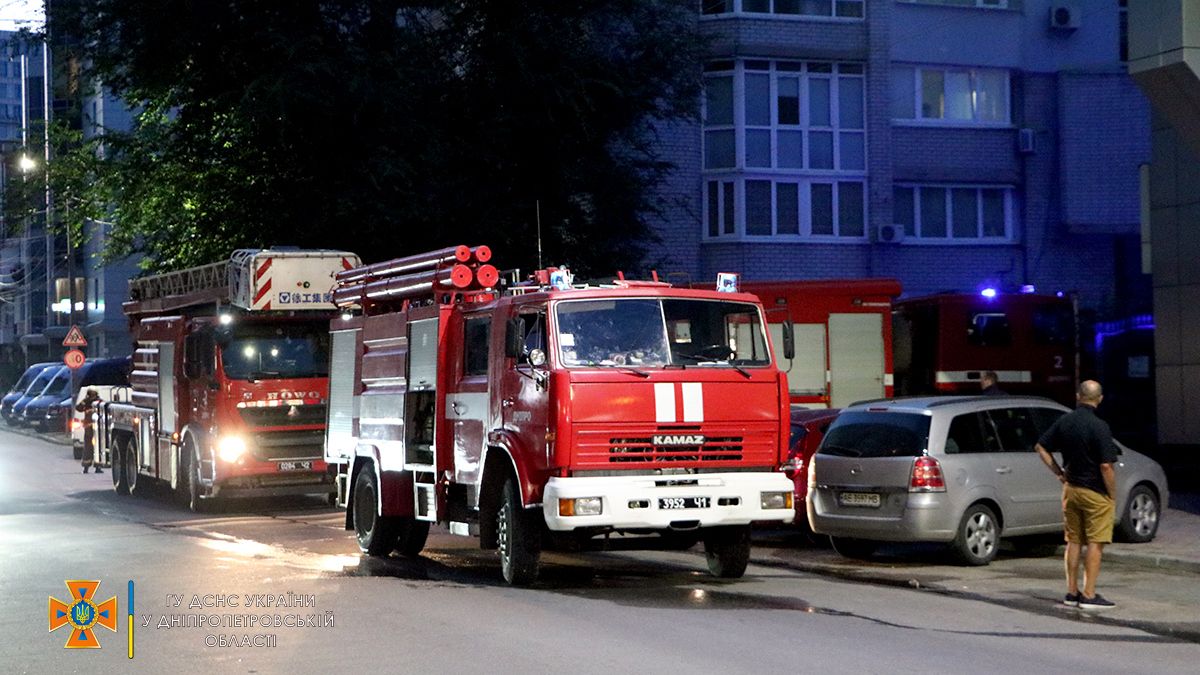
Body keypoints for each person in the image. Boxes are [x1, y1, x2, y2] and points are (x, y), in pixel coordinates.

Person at [1034, 380, 1119, 610]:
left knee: (1073, 541)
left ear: (1078, 396)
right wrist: (1112, 494)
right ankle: (1089, 594)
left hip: (1071, 490)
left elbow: (1040, 447)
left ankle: (1072, 592)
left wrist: (1059, 473)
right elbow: (1106, 466)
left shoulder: (1065, 421)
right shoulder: (1100, 426)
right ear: (1099, 399)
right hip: (1095, 492)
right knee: (1095, 542)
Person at [76, 388, 103, 474]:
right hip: (89, 428)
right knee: (89, 447)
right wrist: (84, 401)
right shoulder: (86, 402)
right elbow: (78, 408)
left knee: (96, 447)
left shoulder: (99, 402)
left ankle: (96, 466)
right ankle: (87, 467)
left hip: (96, 427)